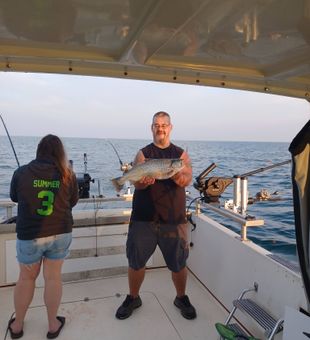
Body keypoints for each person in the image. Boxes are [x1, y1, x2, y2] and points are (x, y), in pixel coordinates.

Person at [115, 111, 196, 320]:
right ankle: (133, 297)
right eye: (156, 125)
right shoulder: (143, 154)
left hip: (173, 219)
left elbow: (186, 179)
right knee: (136, 262)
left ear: (170, 127)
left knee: (178, 263)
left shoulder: (180, 155)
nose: (160, 128)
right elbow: (136, 182)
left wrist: (177, 173)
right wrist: (143, 181)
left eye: (164, 125)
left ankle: (181, 297)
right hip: (143, 218)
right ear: (151, 128)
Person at [8, 134, 79, 339]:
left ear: (38, 151)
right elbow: (72, 202)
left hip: (30, 235)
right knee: (53, 278)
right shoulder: (69, 175)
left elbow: (14, 197)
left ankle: (18, 326)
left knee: (26, 279)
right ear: (60, 153)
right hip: (60, 233)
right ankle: (52, 325)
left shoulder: (21, 172)